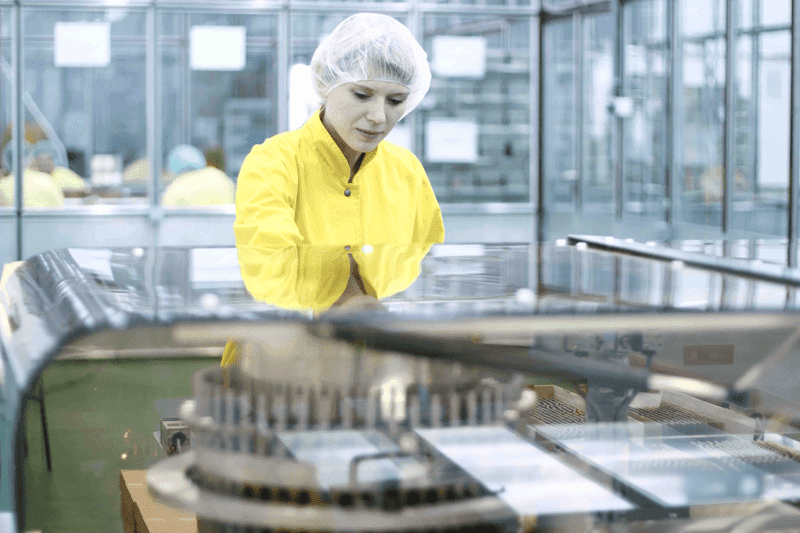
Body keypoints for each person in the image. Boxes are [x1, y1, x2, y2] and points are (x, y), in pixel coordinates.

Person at [223, 13, 444, 367]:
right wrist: (355, 303)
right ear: (327, 82)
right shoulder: (273, 162)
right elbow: (271, 267)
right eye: (362, 94)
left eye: (395, 100)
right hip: (276, 364)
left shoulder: (407, 172)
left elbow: (419, 267)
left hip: (369, 362)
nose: (378, 116)